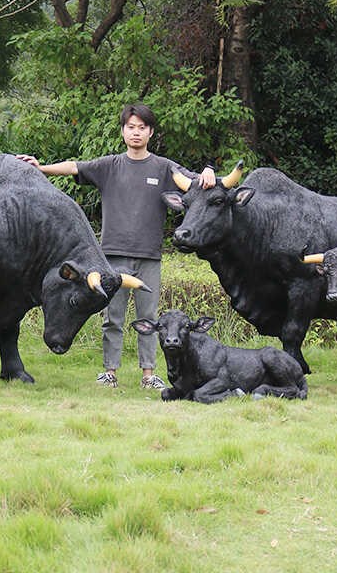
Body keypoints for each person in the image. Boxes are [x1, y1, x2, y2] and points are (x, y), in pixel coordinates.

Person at [17, 103, 216, 389]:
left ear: (150, 132)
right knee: (113, 318)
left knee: (149, 318)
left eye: (142, 128)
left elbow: (197, 183)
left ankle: (149, 376)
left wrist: (208, 171)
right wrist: (41, 168)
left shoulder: (164, 168)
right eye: (131, 127)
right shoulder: (109, 165)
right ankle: (110, 372)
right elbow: (75, 166)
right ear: (123, 131)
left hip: (149, 257)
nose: (136, 133)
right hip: (111, 260)